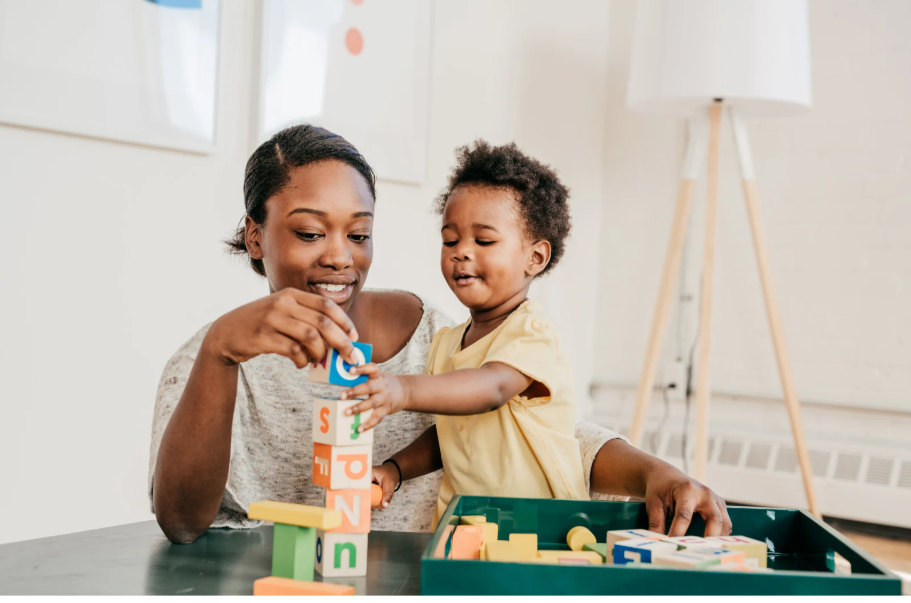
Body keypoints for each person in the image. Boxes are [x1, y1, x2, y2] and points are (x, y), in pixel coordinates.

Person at [149, 124, 732, 545]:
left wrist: (658, 471)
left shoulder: (440, 332)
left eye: (358, 235)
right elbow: (180, 522)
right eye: (307, 233)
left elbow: (543, 433)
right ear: (256, 237)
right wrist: (220, 354)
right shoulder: (211, 357)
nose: (338, 257)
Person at [343, 141, 594, 527]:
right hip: (465, 528)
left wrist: (403, 390)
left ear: (535, 257)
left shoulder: (533, 333)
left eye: (484, 240)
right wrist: (395, 468)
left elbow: (491, 389)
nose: (461, 252)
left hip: (542, 530)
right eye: (450, 240)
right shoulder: (447, 342)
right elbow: (451, 435)